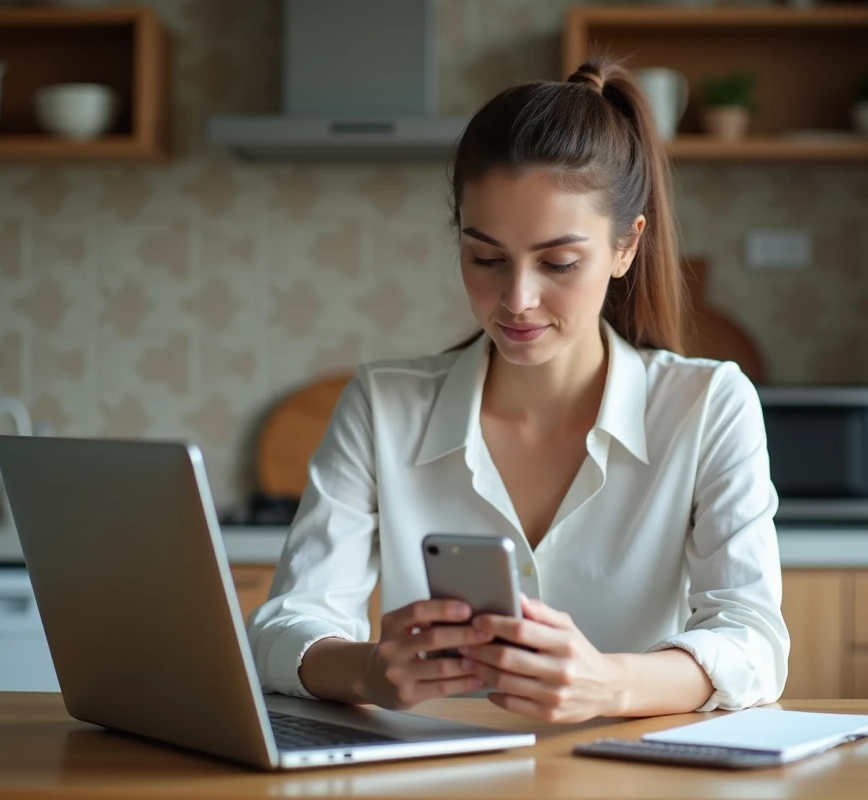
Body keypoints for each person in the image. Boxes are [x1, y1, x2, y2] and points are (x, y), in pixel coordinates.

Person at [248, 59, 788, 724]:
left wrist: (611, 684)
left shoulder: (708, 406)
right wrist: (367, 670)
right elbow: (283, 628)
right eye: (486, 258)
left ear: (626, 247)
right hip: (432, 769)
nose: (518, 299)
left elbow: (754, 642)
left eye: (559, 262)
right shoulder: (382, 406)